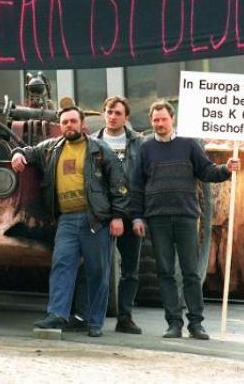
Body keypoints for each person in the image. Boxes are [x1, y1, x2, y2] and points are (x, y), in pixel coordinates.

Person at [11, 106, 127, 337]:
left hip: (95, 220)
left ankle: (94, 323)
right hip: (66, 220)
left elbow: (119, 185)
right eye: (65, 122)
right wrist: (18, 153)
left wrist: (117, 217)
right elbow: (29, 151)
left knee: (97, 271)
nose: (69, 126)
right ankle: (56, 315)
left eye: (73, 121)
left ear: (82, 124)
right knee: (61, 266)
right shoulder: (51, 148)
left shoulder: (100, 150)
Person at [130, 101, 240, 340]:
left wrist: (226, 169)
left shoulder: (189, 144)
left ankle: (196, 324)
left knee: (190, 272)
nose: (159, 124)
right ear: (151, 122)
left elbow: (207, 171)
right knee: (165, 272)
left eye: (163, 119)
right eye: (155, 120)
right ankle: (173, 323)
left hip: (186, 217)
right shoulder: (146, 149)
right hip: (157, 218)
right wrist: (137, 217)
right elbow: (137, 186)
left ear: (172, 119)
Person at [69, 97, 145, 334]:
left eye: (118, 113)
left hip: (130, 213)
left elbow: (144, 179)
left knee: (130, 270)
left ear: (126, 117)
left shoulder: (139, 143)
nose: (113, 116)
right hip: (99, 214)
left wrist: (139, 215)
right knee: (91, 266)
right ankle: (82, 315)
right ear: (103, 114)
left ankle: (125, 317)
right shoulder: (91, 142)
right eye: (109, 112)